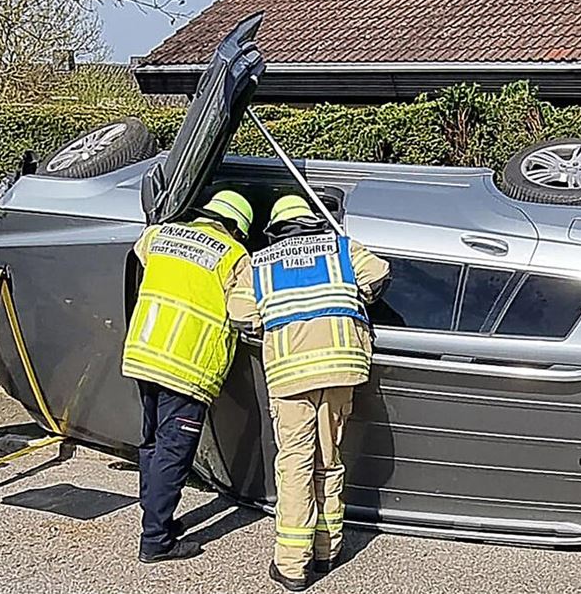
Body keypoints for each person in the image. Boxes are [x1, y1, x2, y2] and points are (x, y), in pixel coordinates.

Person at [230, 195, 389, 591]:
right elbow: (379, 274)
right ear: (312, 222)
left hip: (291, 374)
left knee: (295, 465)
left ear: (276, 229)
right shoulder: (342, 248)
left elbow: (240, 315)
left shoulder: (259, 263)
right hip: (342, 367)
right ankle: (327, 550)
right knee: (330, 459)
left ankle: (291, 566)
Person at [121, 190, 255, 563]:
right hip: (187, 365)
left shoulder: (161, 234)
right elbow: (245, 312)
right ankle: (156, 540)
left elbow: (140, 251)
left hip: (144, 353)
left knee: (150, 442)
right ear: (237, 228)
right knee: (173, 451)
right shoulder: (234, 256)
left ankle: (156, 517)